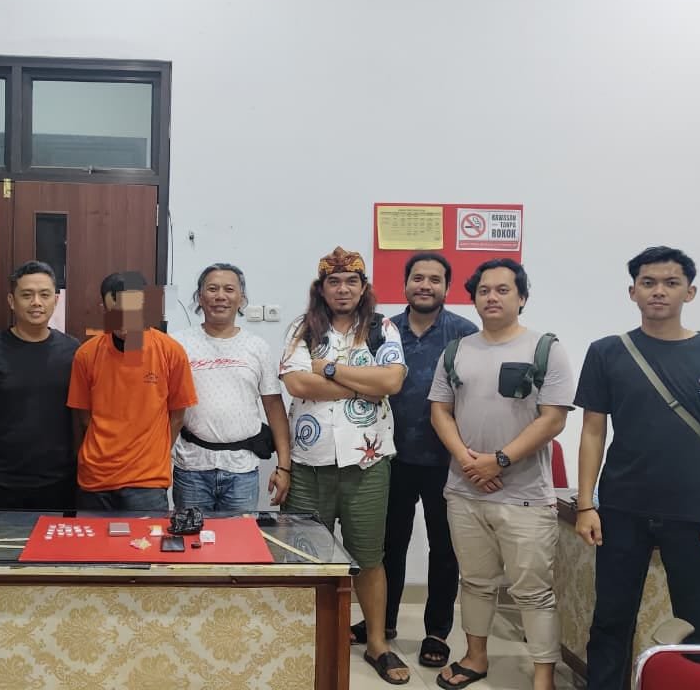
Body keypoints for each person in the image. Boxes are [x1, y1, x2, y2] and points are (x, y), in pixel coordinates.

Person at [574, 246, 700, 690]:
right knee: (611, 618)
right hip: (621, 506)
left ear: (689, 292)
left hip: (695, 509)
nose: (659, 291)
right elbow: (593, 431)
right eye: (648, 283)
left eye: (671, 283)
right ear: (632, 291)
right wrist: (585, 505)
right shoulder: (606, 352)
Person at [428, 258, 574, 690]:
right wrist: (469, 462)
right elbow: (440, 411)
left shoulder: (545, 348)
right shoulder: (457, 350)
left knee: (533, 591)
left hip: (525, 495)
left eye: (503, 289)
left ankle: (543, 676)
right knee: (475, 582)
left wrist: (500, 461)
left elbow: (553, 419)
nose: (492, 297)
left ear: (522, 297)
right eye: (484, 291)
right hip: (465, 491)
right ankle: (475, 657)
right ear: (473, 299)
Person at [279, 247, 409, 685]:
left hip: (366, 462)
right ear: (321, 288)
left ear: (363, 287)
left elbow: (391, 381)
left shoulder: (381, 328)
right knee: (304, 555)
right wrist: (363, 386)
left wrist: (329, 369)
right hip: (309, 464)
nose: (342, 289)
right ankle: (302, 638)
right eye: (333, 282)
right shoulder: (302, 328)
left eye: (351, 281)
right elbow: (298, 383)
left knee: (369, 557)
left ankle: (377, 644)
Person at [352, 252, 478, 669]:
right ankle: (382, 623)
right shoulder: (381, 330)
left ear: (447, 287)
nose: (425, 285)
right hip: (389, 456)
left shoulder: (464, 334)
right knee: (389, 545)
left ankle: (436, 631)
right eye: (418, 278)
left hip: (448, 459)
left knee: (444, 549)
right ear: (405, 284)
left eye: (435, 279)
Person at [68, 271, 197, 511]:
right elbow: (84, 419)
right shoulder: (86, 355)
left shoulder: (170, 351)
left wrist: (154, 453)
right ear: (104, 309)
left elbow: (178, 416)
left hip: (146, 481)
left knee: (147, 537)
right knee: (91, 537)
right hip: (95, 480)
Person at [170, 263, 292, 512]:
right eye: (212, 289)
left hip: (242, 470)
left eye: (229, 289)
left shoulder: (257, 347)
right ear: (200, 298)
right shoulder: (178, 344)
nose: (220, 296)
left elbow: (274, 407)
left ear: (241, 299)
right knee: (190, 535)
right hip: (191, 468)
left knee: (240, 537)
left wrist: (284, 466)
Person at [0, 261, 81, 514]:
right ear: (11, 301)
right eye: (27, 295)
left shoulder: (73, 351)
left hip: (59, 483)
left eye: (44, 295)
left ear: (56, 300)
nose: (36, 302)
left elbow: (81, 418)